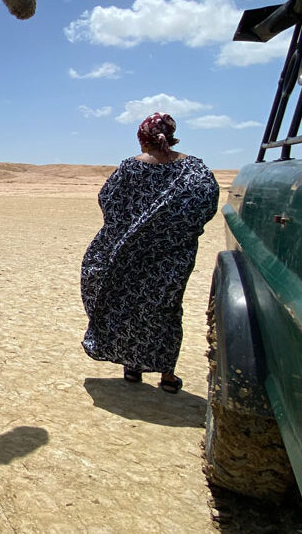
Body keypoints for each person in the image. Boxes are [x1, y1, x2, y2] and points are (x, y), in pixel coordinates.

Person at [80, 112, 219, 394]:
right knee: (165, 308)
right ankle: (167, 376)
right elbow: (205, 202)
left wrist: (128, 228)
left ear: (142, 139)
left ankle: (132, 367)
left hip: (130, 252)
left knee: (129, 304)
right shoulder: (193, 169)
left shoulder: (130, 168)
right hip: (172, 256)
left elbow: (109, 201)